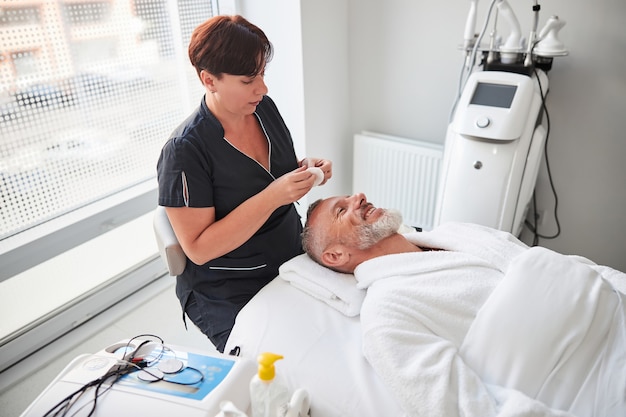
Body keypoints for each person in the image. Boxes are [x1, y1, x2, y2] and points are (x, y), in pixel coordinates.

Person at [301, 193, 626, 417]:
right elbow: (463, 407)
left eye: (347, 198)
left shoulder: (455, 233)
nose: (357, 196)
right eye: (341, 210)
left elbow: (560, 266)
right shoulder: (385, 315)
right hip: (596, 382)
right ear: (336, 256)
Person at [156, 15, 332, 353]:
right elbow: (199, 248)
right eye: (248, 79)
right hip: (228, 284)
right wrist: (272, 196)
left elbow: (263, 176)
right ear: (209, 79)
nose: (262, 88)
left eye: (262, 74)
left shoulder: (263, 109)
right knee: (278, 367)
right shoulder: (185, 151)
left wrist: (304, 170)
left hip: (288, 253)